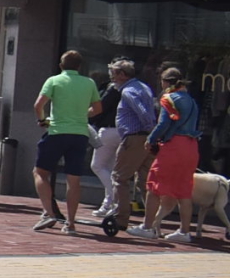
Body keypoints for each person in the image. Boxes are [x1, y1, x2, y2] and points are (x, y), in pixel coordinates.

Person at [31, 49, 99, 233]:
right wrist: (82, 115)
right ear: (79, 66)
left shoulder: (54, 80)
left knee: (40, 172)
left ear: (61, 66)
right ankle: (70, 223)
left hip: (57, 131)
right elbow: (97, 108)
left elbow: (38, 105)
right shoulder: (89, 82)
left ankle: (49, 212)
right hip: (80, 134)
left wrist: (42, 120)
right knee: (73, 180)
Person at [139, 67, 205, 243]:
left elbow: (163, 125)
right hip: (191, 146)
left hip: (174, 146)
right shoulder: (191, 101)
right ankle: (184, 232)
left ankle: (147, 227)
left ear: (166, 82)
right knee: (184, 191)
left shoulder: (168, 99)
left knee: (153, 186)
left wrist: (150, 139)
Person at [98, 58, 157, 229]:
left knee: (119, 178)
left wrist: (149, 129)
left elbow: (144, 113)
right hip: (145, 138)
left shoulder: (128, 91)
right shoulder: (143, 86)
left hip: (135, 138)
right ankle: (152, 221)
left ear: (122, 75)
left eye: (113, 74)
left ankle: (121, 218)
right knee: (144, 180)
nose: (112, 78)